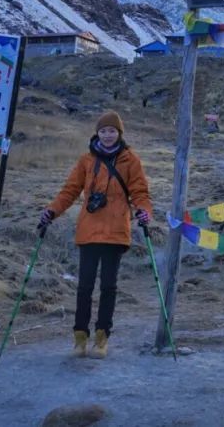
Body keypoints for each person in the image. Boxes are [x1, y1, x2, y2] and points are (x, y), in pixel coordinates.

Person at [38, 110, 153, 359]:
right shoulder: (86, 161)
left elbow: (140, 192)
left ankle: (102, 339)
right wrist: (51, 211)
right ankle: (80, 338)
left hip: (115, 232)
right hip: (89, 231)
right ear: (97, 133)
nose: (108, 135)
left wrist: (144, 211)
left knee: (109, 287)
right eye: (103, 131)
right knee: (84, 287)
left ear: (119, 133)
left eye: (112, 131)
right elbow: (69, 191)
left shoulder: (131, 160)